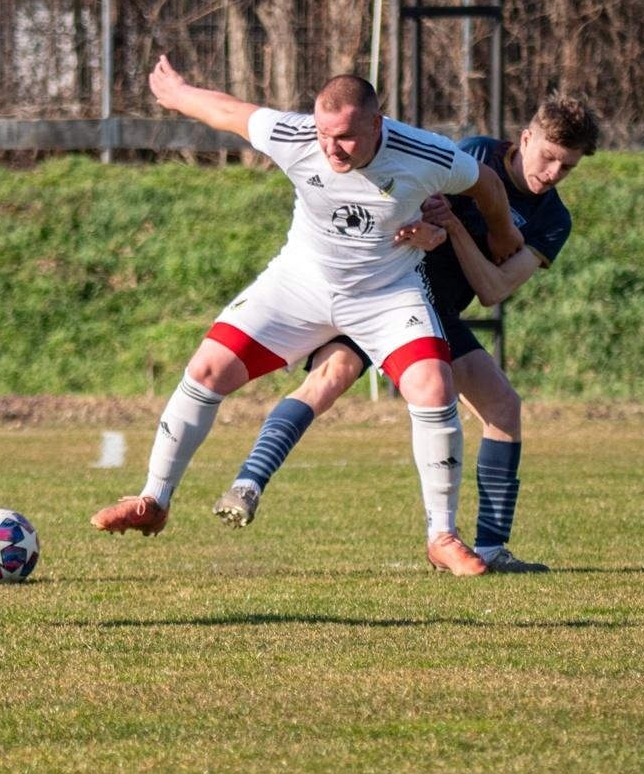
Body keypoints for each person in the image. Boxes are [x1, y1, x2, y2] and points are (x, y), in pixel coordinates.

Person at [90, 54, 525, 575]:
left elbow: (489, 186)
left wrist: (502, 237)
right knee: (206, 370)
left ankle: (442, 536)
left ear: (376, 124)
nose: (329, 147)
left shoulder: (424, 152)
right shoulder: (299, 138)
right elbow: (231, 112)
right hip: (301, 282)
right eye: (322, 132)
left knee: (432, 386)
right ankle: (154, 501)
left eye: (344, 136)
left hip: (386, 292)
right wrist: (180, 93)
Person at [211, 97, 598, 574]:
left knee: (503, 408)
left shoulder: (553, 219)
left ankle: (492, 548)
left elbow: (493, 288)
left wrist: (453, 227)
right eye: (549, 156)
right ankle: (249, 483)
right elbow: (407, 198)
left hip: (439, 313)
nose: (555, 170)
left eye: (569, 165)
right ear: (525, 139)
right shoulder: (474, 156)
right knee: (330, 377)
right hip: (388, 290)